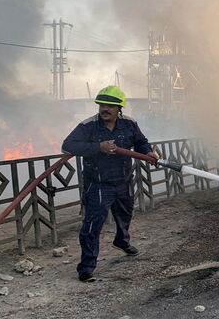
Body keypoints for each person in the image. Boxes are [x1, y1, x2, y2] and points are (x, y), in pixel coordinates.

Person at [62, 85, 158, 282]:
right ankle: (86, 268)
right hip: (99, 184)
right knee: (92, 225)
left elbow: (141, 141)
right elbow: (68, 145)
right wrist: (98, 147)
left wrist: (147, 151)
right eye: (102, 105)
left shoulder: (129, 124)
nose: (105, 109)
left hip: (123, 180)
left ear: (119, 109)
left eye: (110, 106)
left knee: (125, 214)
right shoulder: (87, 126)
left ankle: (122, 241)